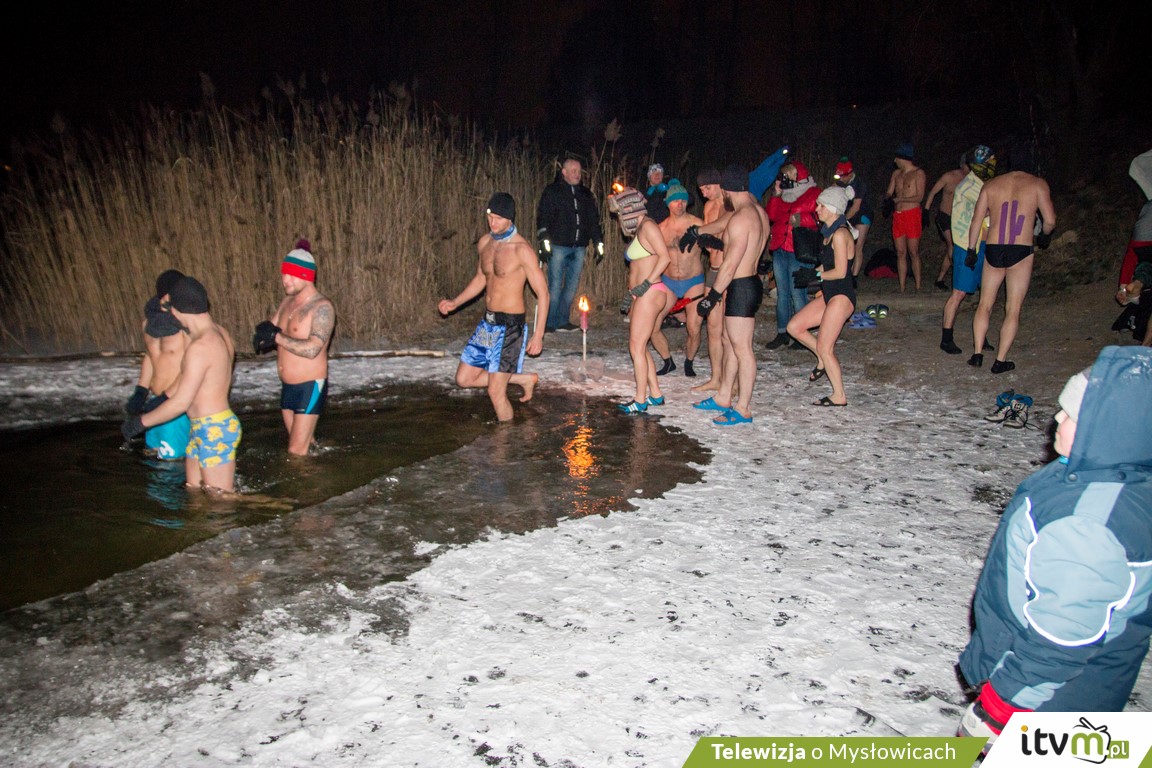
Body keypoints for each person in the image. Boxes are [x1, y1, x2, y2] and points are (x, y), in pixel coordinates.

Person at [956, 346, 1152, 752]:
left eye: (1071, 414)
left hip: (1048, 703)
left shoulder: (1088, 522)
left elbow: (1061, 639)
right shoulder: (1108, 477)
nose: (1056, 419)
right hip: (1084, 686)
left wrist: (1000, 709)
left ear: (1107, 429)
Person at [121, 276, 241, 494]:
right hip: (201, 426)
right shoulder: (217, 334)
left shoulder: (200, 347)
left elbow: (180, 402)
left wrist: (140, 423)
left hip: (214, 428)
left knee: (221, 500)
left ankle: (283, 509)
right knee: (194, 490)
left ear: (179, 310)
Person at [438, 192, 549, 421]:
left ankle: (505, 440)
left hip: (510, 327)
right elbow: (481, 278)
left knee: (495, 392)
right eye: (490, 216)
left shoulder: (521, 249)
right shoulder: (485, 243)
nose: (492, 222)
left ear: (509, 218)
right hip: (487, 325)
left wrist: (538, 335)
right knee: (464, 379)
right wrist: (455, 302)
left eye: (498, 218)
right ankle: (523, 379)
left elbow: (543, 294)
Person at [683, 165, 770, 425]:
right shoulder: (755, 211)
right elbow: (725, 223)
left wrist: (712, 296)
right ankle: (723, 396)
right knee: (730, 342)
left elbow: (730, 264)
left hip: (741, 286)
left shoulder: (743, 218)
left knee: (742, 348)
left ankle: (743, 408)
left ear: (727, 190)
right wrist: (698, 232)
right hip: (747, 284)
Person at [968, 167, 1057, 373]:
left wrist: (972, 250)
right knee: (1013, 308)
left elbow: (977, 220)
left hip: (994, 247)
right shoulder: (1037, 184)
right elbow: (1050, 220)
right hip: (1020, 249)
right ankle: (1000, 361)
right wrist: (1044, 235)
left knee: (984, 304)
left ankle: (977, 354)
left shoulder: (991, 185)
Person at [252, 239, 336, 456]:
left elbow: (313, 349)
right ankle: (324, 467)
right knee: (305, 448)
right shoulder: (287, 302)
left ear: (306, 276)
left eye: (290, 275)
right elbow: (274, 330)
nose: (284, 280)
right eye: (283, 274)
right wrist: (263, 334)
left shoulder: (322, 308)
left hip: (310, 386)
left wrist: (277, 338)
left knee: (295, 451)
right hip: (288, 387)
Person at [786, 186, 857, 407]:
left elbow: (841, 272)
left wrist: (815, 275)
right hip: (829, 294)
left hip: (842, 297)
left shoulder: (840, 234)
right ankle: (821, 359)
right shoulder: (828, 233)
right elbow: (828, 265)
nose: (817, 209)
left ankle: (839, 395)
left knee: (826, 348)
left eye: (821, 205)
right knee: (794, 327)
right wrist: (810, 273)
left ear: (833, 208)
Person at [609, 186, 670, 413]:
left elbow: (665, 258)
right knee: (640, 346)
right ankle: (655, 394)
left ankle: (640, 400)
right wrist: (633, 294)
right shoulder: (642, 228)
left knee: (636, 347)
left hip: (651, 291)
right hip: (644, 293)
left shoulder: (649, 226)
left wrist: (645, 284)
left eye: (621, 212)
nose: (620, 218)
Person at [125, 269, 191, 461]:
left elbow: (190, 366)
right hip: (155, 402)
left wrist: (166, 397)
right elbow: (150, 356)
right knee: (152, 456)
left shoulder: (186, 327)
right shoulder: (148, 324)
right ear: (165, 295)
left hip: (174, 403)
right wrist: (141, 391)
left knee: (171, 461)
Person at [535, 157, 604, 332]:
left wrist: (598, 241)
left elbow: (593, 219)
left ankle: (562, 321)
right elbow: (543, 216)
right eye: (573, 171)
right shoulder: (553, 191)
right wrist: (543, 239)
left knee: (571, 287)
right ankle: (549, 323)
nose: (577, 174)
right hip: (558, 246)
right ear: (564, 172)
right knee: (555, 286)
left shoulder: (585, 194)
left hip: (579, 247)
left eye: (579, 171)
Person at [939, 146, 997, 356]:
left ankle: (981, 336)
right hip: (967, 245)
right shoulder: (969, 186)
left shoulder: (984, 183)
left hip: (984, 244)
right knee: (959, 293)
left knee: (986, 293)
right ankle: (946, 338)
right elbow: (987, 211)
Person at [650, 180, 706, 377]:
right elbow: (651, 256)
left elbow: (716, 249)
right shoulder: (660, 228)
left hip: (694, 281)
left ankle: (689, 362)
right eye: (675, 201)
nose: (680, 204)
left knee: (694, 327)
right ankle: (668, 361)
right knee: (653, 324)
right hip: (669, 282)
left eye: (683, 200)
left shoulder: (698, 224)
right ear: (668, 203)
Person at [764, 161, 820, 350]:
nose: (785, 179)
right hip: (780, 247)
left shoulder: (813, 193)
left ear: (799, 175)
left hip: (799, 249)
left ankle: (801, 334)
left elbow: (819, 217)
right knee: (782, 293)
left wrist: (798, 219)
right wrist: (776, 194)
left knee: (798, 293)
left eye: (788, 175)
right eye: (784, 176)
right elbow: (771, 216)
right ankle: (782, 333)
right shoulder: (783, 195)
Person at [692, 167, 731, 393]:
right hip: (713, 270)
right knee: (713, 327)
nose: (704, 193)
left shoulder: (731, 205)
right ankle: (716, 378)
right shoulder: (708, 207)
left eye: (707, 188)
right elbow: (708, 238)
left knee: (728, 331)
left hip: (729, 272)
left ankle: (731, 381)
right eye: (701, 190)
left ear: (718, 184)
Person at [885, 143, 927, 292]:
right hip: (898, 216)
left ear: (902, 158)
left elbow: (919, 197)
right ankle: (902, 287)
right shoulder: (896, 174)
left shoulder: (918, 173)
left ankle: (918, 285)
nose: (895, 161)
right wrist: (888, 200)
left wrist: (900, 199)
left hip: (912, 214)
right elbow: (889, 191)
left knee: (913, 251)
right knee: (900, 252)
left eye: (896, 158)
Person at [924, 155, 969, 290]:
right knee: (952, 244)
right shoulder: (949, 176)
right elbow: (933, 192)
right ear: (962, 164)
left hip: (959, 218)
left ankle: (940, 279)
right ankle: (959, 277)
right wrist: (926, 210)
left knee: (955, 247)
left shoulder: (971, 180)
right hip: (944, 216)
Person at [834, 157, 873, 279]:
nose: (840, 179)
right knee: (845, 245)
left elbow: (856, 207)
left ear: (850, 174)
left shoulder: (860, 184)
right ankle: (846, 273)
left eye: (843, 176)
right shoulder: (839, 182)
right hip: (848, 214)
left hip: (862, 215)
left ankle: (854, 277)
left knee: (858, 246)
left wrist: (842, 220)